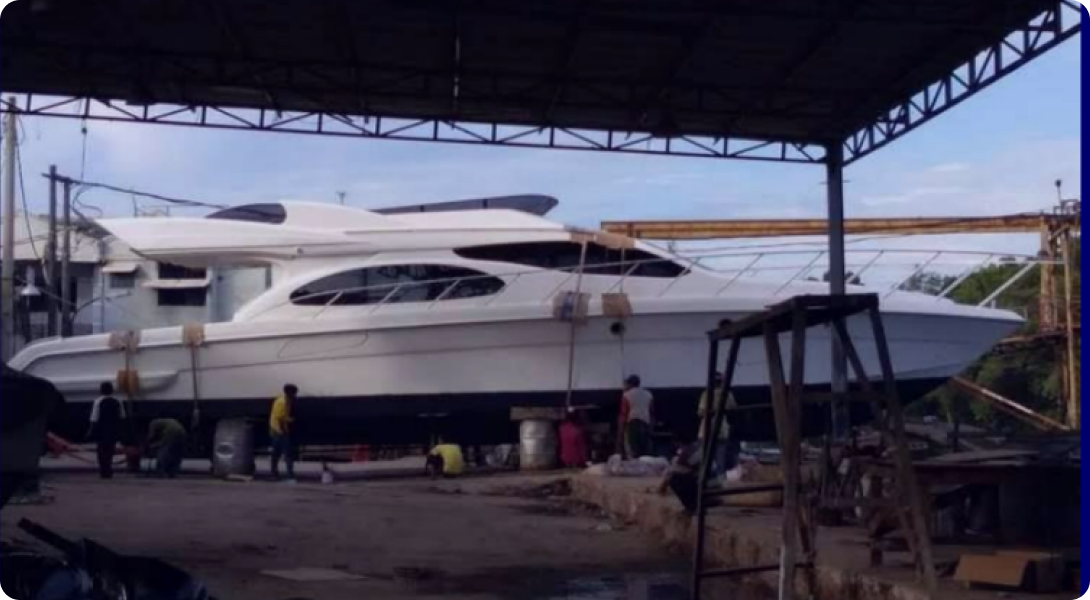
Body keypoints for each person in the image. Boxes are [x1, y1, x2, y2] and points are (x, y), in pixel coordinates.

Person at [697, 371, 738, 477]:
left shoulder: (706, 394)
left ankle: (704, 478)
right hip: (721, 429)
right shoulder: (727, 394)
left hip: (707, 429)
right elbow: (733, 408)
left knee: (705, 458)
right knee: (720, 458)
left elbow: (700, 412)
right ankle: (719, 479)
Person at [655, 431, 707, 514]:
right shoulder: (701, 446)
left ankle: (692, 507)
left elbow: (671, 473)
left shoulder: (687, 453)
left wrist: (661, 489)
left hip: (706, 491)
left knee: (674, 479)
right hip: (713, 488)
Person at [86, 382, 126, 479]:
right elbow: (122, 416)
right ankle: (108, 470)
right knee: (110, 450)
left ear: (101, 390)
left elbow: (94, 418)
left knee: (101, 451)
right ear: (112, 390)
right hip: (113, 428)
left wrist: (90, 431)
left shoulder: (98, 401)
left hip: (101, 429)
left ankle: (103, 471)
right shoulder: (118, 401)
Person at [619, 375, 654, 459]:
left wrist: (621, 430)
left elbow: (624, 413)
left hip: (632, 424)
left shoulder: (626, 395)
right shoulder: (648, 394)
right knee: (644, 450)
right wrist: (651, 428)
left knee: (632, 450)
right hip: (645, 423)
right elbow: (651, 412)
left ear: (630, 384)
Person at [269, 384, 298, 481]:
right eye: (294, 393)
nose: (295, 395)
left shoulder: (286, 401)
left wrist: (289, 420)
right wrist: (284, 432)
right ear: (290, 393)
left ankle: (274, 474)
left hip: (277, 429)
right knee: (287, 453)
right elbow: (280, 418)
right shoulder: (282, 402)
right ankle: (290, 475)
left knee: (276, 453)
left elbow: (283, 416)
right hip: (279, 430)